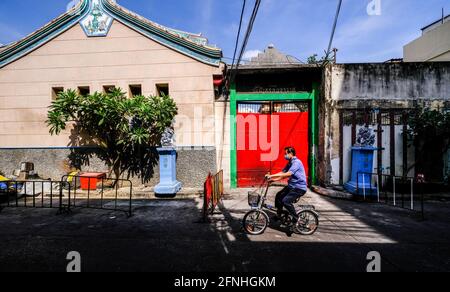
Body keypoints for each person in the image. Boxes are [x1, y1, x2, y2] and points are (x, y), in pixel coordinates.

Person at [266, 147, 308, 223]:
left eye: (286, 154)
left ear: (291, 154)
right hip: (291, 186)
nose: (285, 155)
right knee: (279, 196)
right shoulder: (290, 162)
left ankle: (296, 218)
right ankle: (279, 215)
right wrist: (273, 179)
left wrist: (271, 176)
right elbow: (283, 173)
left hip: (299, 188)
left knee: (286, 201)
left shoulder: (296, 162)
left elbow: (289, 173)